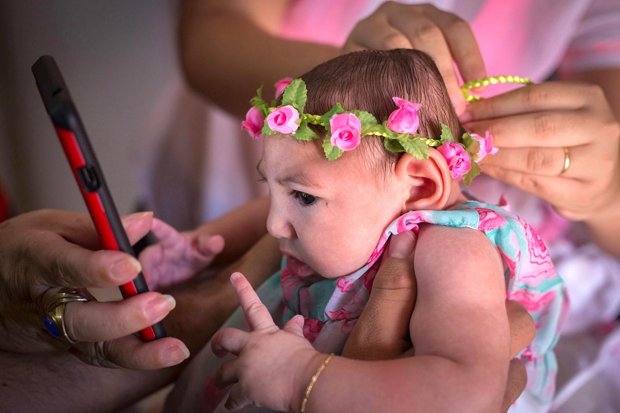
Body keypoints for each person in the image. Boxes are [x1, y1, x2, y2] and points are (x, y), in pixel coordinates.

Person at [158, 1, 620, 408]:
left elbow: (463, 393)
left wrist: (299, 379)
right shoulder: (343, 206)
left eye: (300, 197)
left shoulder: (454, 251)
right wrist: (205, 243)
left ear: (418, 187)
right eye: (278, 191)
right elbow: (209, 31)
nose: (275, 225)